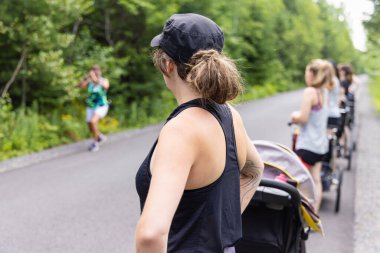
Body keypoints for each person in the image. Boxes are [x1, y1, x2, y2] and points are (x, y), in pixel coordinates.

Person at [135, 13, 264, 253]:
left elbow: (151, 236)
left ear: (168, 64)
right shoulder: (230, 115)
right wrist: (218, 229)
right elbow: (254, 171)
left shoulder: (181, 131)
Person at [290, 59, 332, 213]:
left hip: (307, 145)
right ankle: (314, 213)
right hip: (320, 146)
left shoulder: (310, 92)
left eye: (306, 71)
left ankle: (301, 217)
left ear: (312, 74)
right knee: (316, 179)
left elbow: (303, 118)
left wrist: (294, 115)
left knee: (299, 180)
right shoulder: (324, 92)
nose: (305, 75)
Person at [78, 65, 110, 152]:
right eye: (93, 70)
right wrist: (86, 78)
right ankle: (99, 136)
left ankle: (95, 144)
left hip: (101, 106)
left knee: (93, 122)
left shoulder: (104, 80)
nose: (95, 72)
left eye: (97, 70)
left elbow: (106, 87)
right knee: (90, 125)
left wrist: (95, 78)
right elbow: (80, 86)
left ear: (100, 71)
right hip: (91, 106)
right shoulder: (90, 82)